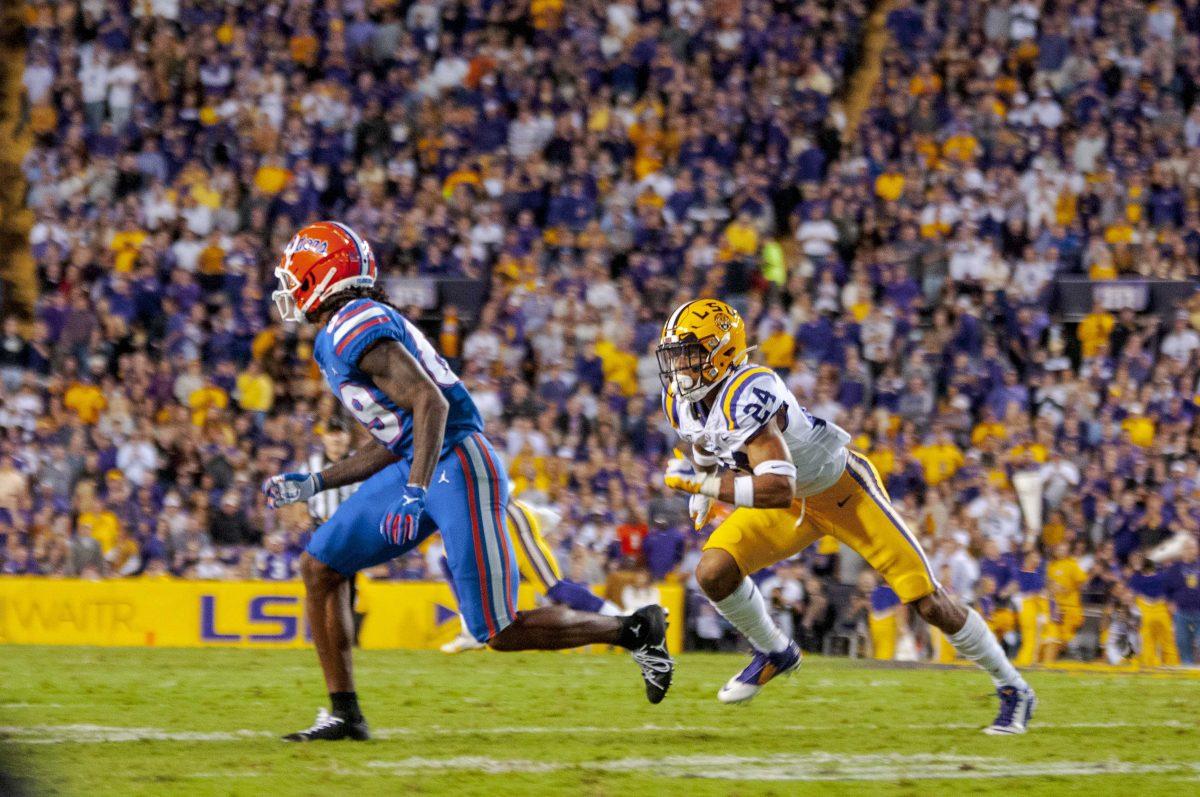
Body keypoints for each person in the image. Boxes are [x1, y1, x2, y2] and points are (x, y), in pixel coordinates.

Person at [262, 222, 674, 741]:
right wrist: (315, 483)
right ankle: (344, 714)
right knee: (320, 566)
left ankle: (634, 629)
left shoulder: (353, 323)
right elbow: (396, 435)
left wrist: (414, 489)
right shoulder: (342, 330)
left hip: (458, 464)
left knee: (497, 631)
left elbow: (430, 403)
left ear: (323, 275)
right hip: (421, 460)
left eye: (296, 274)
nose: (289, 286)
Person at [657, 298, 1035, 734]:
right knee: (714, 571)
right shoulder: (682, 399)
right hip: (793, 502)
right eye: (675, 355)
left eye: (689, 353)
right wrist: (703, 478)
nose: (680, 366)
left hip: (842, 493)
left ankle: (1013, 687)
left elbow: (777, 485)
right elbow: (702, 440)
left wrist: (703, 485)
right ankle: (775, 652)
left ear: (721, 351)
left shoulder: (750, 391)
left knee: (927, 601)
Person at [439, 499, 624, 653]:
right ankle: (471, 631)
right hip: (480, 523)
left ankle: (622, 619)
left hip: (506, 518)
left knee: (553, 587)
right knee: (449, 561)